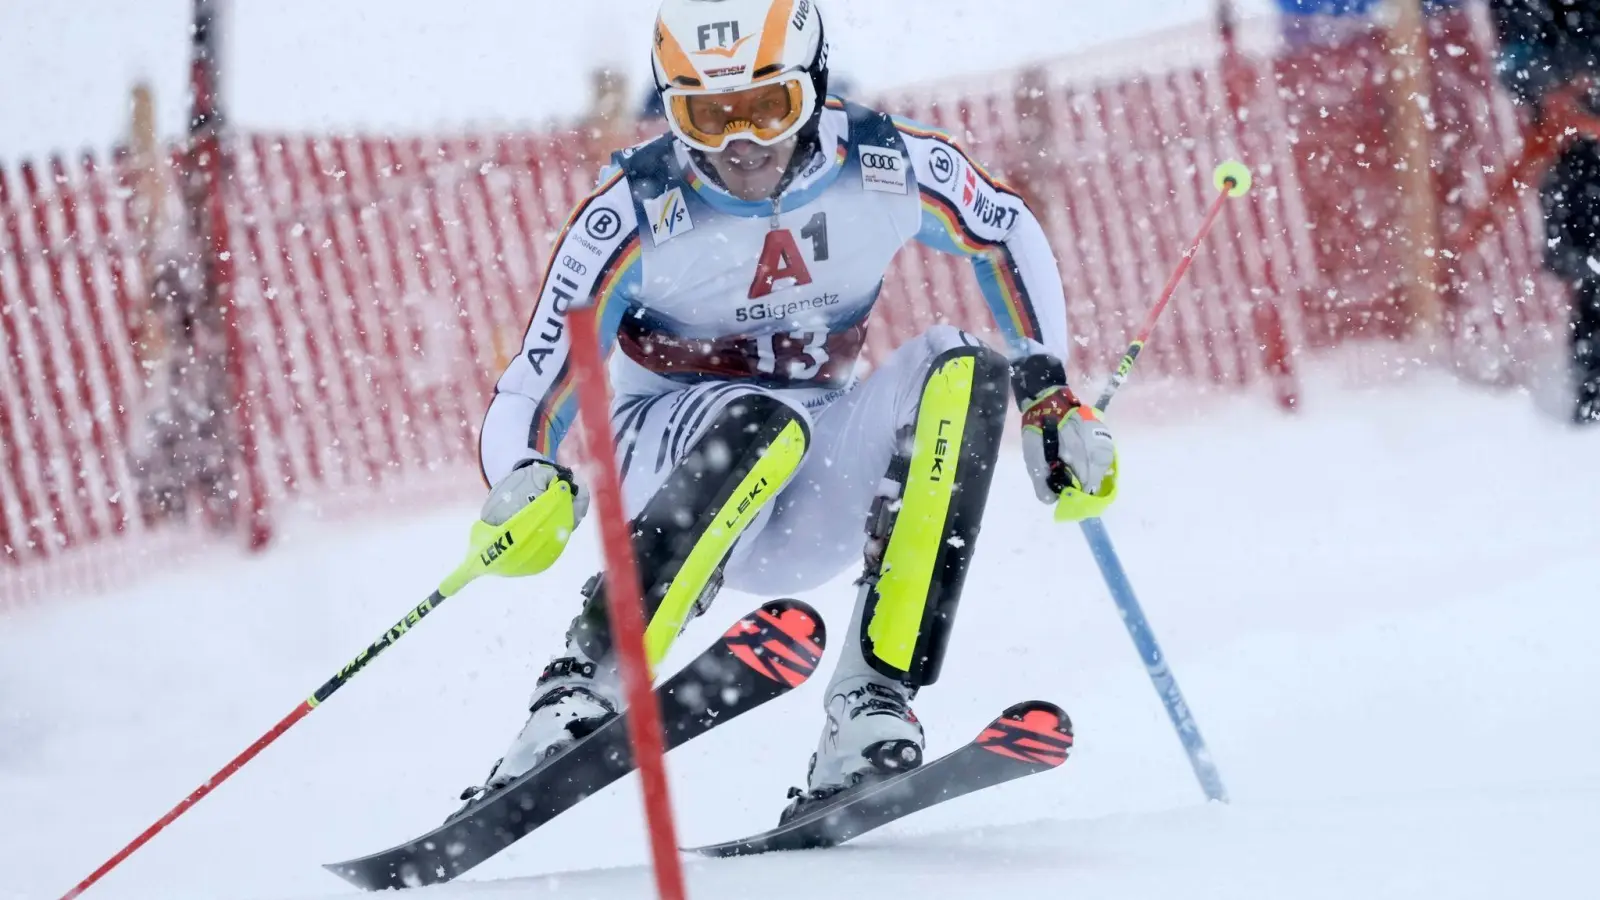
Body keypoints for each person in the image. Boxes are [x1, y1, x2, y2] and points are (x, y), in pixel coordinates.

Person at [466, 0, 1115, 822]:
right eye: (706, 117)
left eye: (767, 109)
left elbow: (1003, 227)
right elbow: (537, 380)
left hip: (810, 477)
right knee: (759, 417)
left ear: (812, 89)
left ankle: (871, 702)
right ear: (668, 112)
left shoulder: (881, 163)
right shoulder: (631, 208)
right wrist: (525, 474)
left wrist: (1049, 397)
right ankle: (578, 691)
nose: (740, 143)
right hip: (666, 464)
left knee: (964, 372)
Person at [1489, 0, 1600, 424]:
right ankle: (1590, 413)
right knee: (1593, 291)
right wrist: (1566, 79)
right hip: (1581, 167)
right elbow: (1515, 62)